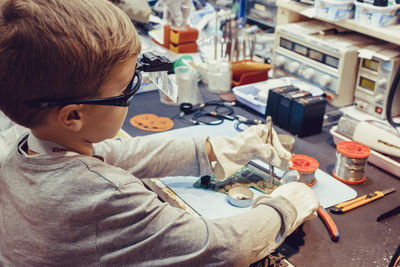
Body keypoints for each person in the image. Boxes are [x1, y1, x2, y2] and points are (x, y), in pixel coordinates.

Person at [0, 0, 319, 266]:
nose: (134, 94)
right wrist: (286, 207)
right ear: (73, 116)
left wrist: (214, 150)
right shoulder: (107, 196)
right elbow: (222, 249)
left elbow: (119, 154)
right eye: (128, 87)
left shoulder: (29, 146)